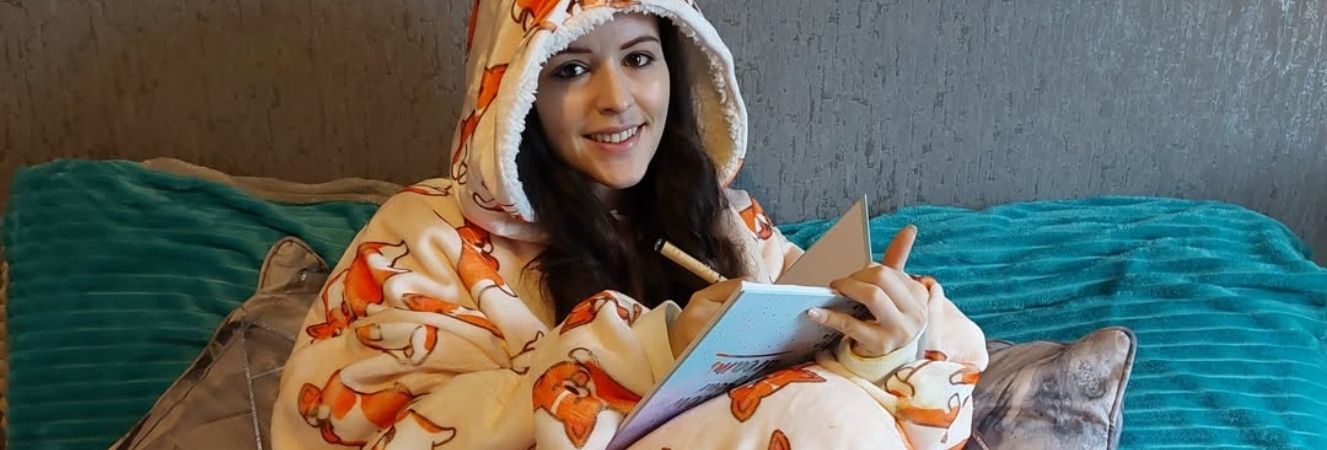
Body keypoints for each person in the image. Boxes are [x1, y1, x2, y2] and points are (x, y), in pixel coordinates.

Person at [272, 1, 988, 448]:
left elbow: (868, 403)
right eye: (570, 70)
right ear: (517, 93)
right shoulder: (424, 235)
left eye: (639, 58)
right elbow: (369, 430)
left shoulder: (726, 221)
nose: (616, 99)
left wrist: (879, 351)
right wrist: (653, 348)